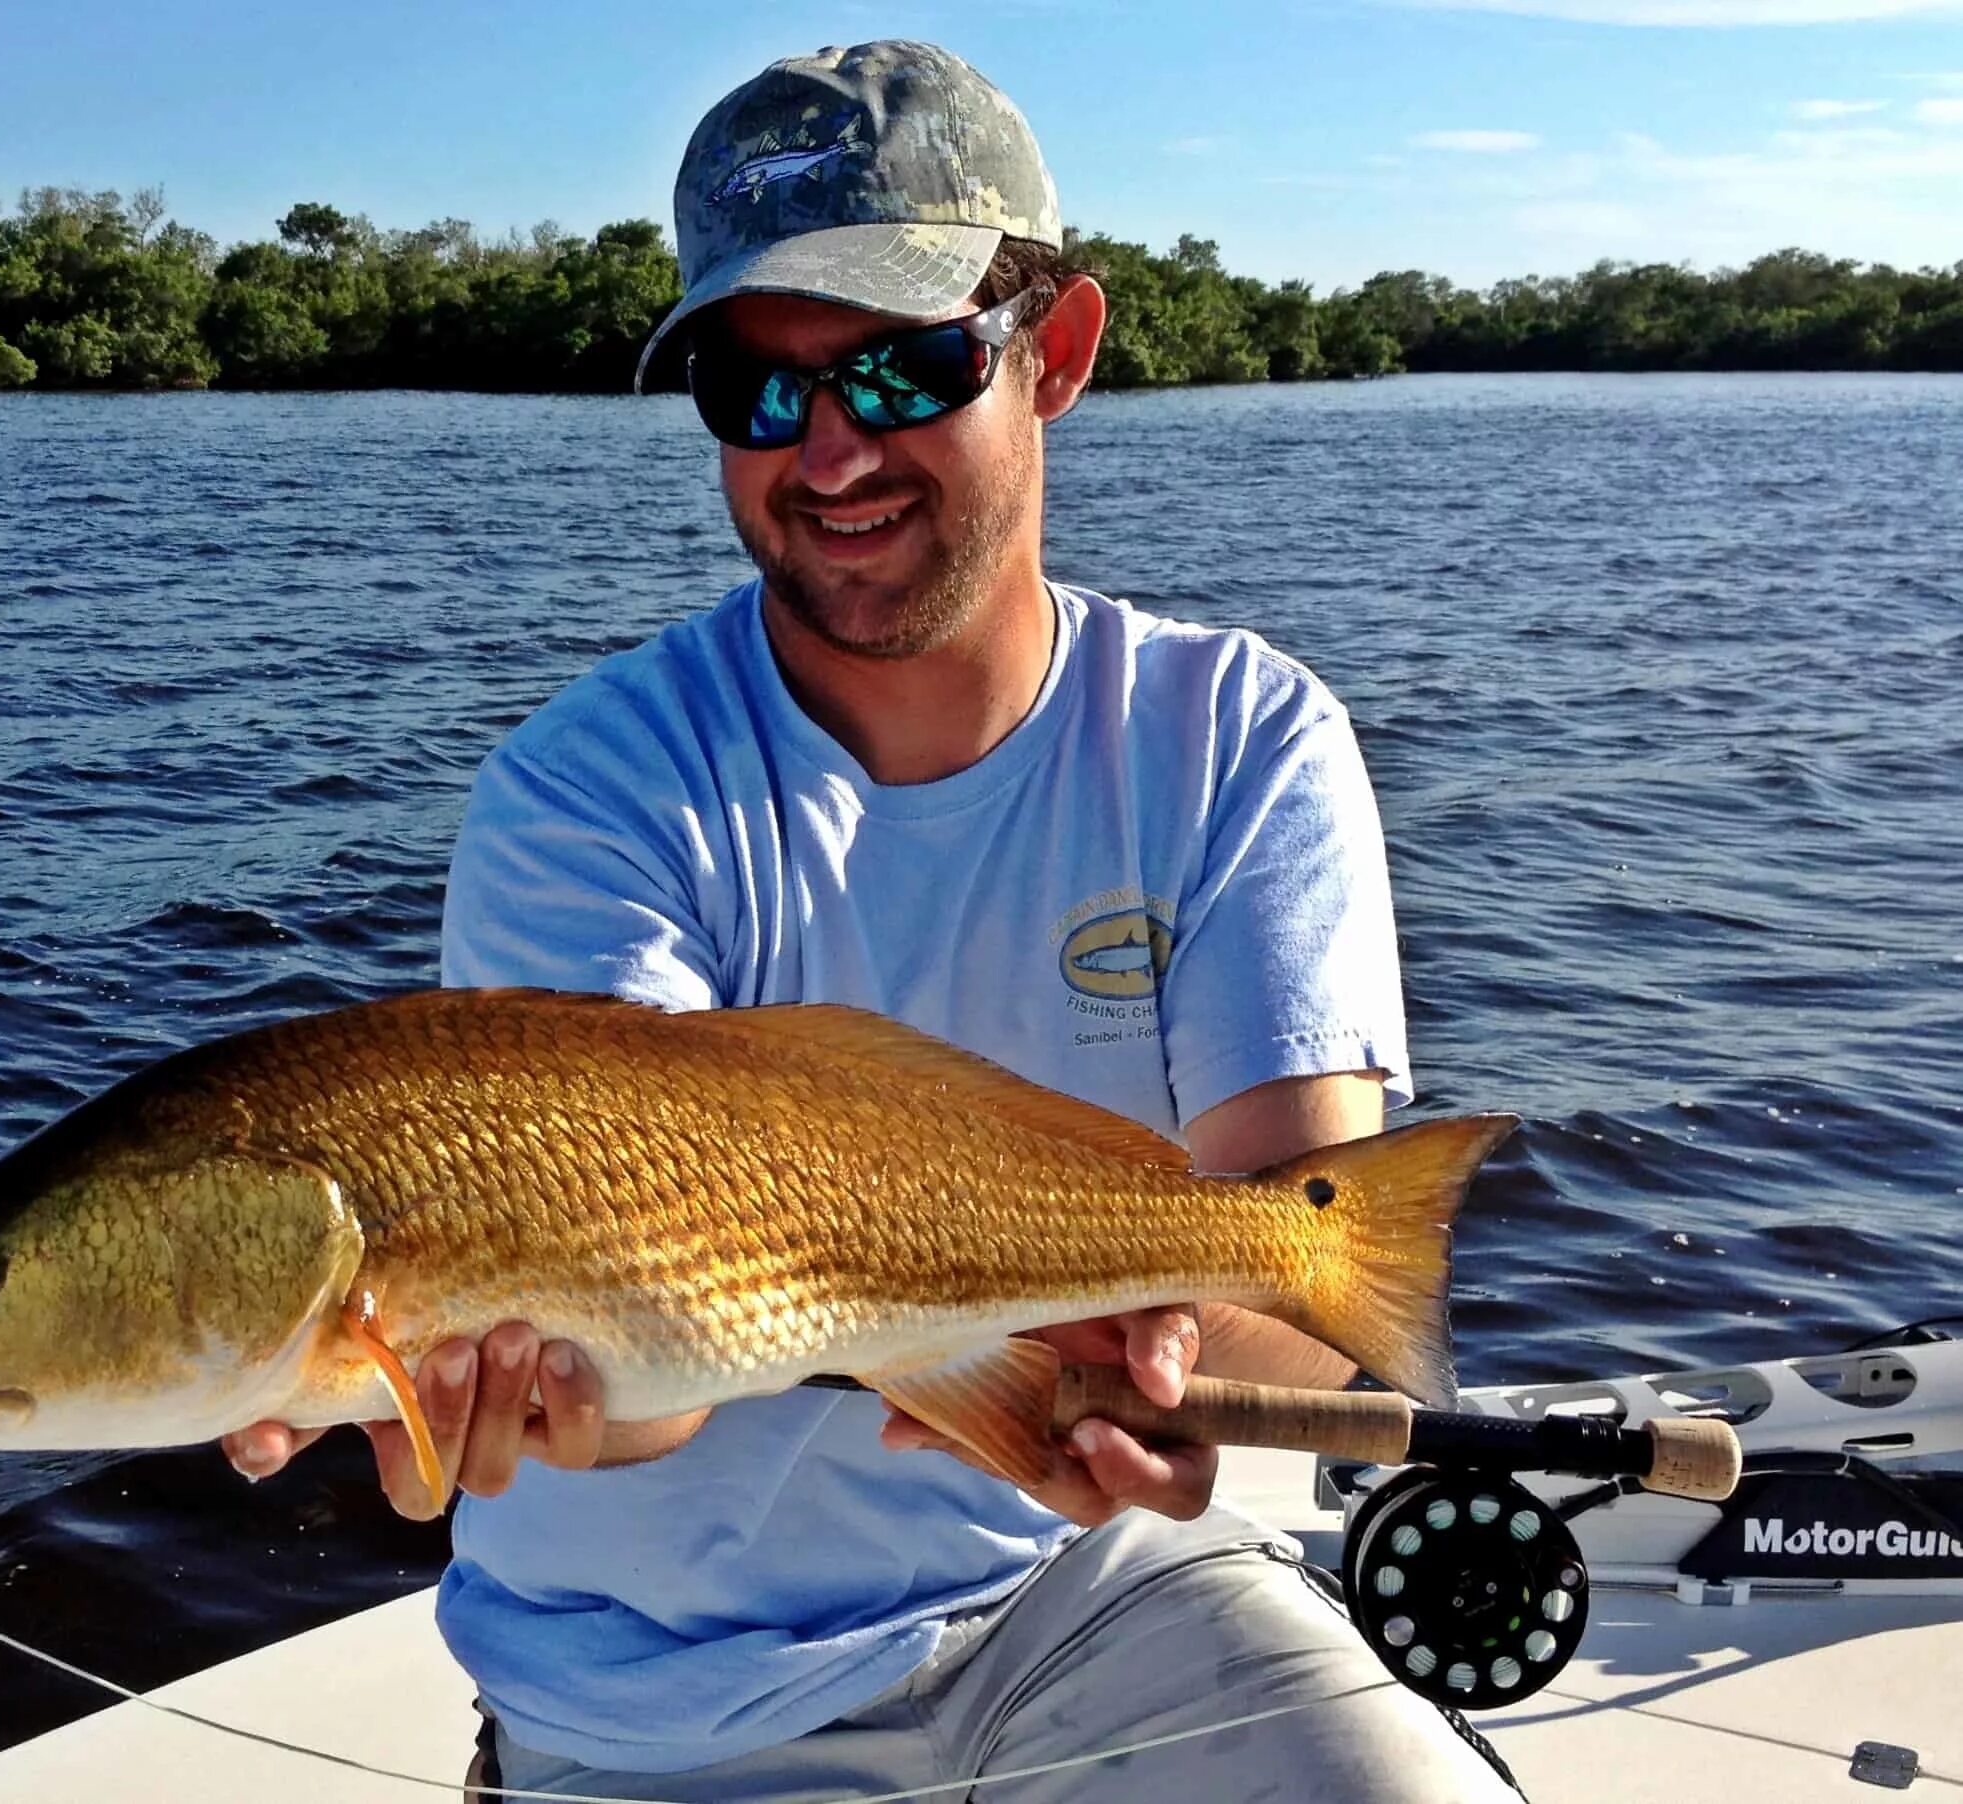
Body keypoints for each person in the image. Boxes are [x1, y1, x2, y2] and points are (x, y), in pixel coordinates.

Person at [225, 39, 1519, 1802]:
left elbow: (1305, 1266)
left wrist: (1141, 1367)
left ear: (1053, 355)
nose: (828, 452)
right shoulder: (593, 783)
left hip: (1082, 1594)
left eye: (901, 369)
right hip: (656, 1703)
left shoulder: (1239, 737)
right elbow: (653, 1377)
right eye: (757, 395)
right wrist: (535, 1390)